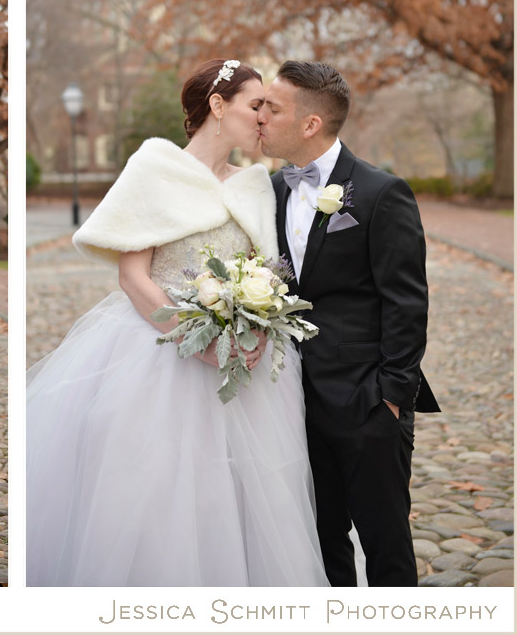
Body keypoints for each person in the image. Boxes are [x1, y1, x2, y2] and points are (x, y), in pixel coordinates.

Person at [26, 59, 329, 587]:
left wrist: (255, 326)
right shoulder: (154, 169)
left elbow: (267, 274)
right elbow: (133, 276)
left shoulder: (258, 184)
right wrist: (197, 339)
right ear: (217, 106)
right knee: (160, 496)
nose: (264, 119)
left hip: (247, 371)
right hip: (156, 352)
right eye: (255, 105)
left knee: (250, 495)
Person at [259, 61, 439, 587]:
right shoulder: (269, 192)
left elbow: (407, 302)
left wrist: (391, 396)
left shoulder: (382, 193)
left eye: (273, 107)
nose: (261, 117)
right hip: (290, 403)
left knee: (385, 547)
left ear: (311, 124)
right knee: (319, 545)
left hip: (367, 405)